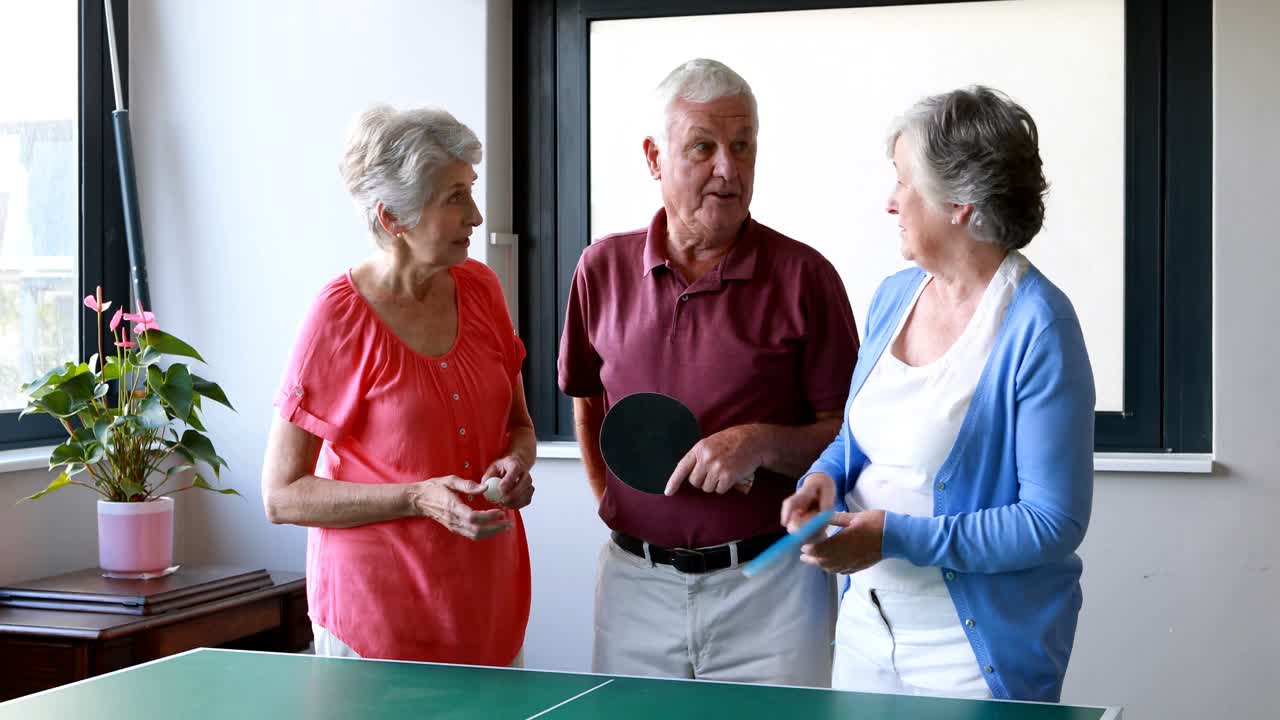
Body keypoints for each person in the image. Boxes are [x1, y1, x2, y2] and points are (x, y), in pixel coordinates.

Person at [781, 86, 1095, 702]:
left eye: (904, 181)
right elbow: (862, 438)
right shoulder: (893, 296)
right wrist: (823, 476)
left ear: (959, 203)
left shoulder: (1039, 326)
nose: (890, 201)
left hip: (972, 652)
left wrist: (893, 536)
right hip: (866, 629)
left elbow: (1052, 523)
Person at [558, 58, 858, 686]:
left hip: (772, 589)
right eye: (703, 147)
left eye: (743, 146)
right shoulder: (599, 270)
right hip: (634, 588)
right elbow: (588, 401)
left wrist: (761, 443)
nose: (729, 168)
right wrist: (611, 502)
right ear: (654, 158)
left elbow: (849, 435)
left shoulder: (807, 278)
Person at [261, 104, 535, 666]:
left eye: (471, 190)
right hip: (374, 623)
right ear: (393, 219)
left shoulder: (483, 289)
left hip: (487, 609)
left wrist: (515, 463)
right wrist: (414, 497)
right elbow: (282, 495)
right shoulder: (338, 317)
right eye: (454, 197)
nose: (476, 215)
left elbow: (519, 427)